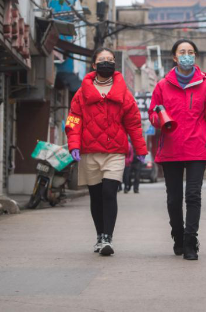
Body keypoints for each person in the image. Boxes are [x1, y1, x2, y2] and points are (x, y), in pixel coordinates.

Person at [148, 39, 206, 261]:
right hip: (170, 149)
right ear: (174, 57)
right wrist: (158, 119)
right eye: (182, 52)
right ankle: (178, 235)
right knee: (174, 199)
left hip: (196, 149)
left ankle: (191, 241)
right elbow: (152, 113)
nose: (187, 55)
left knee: (193, 195)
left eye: (190, 52)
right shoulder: (162, 86)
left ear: (195, 56)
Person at [66, 47, 147, 256]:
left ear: (114, 64)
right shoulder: (81, 93)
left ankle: (107, 238)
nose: (106, 62)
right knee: (96, 196)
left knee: (109, 192)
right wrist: (74, 145)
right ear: (94, 65)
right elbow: (74, 120)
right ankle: (99, 235)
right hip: (89, 151)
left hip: (115, 152)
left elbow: (134, 123)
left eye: (110, 60)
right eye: (102, 59)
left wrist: (140, 148)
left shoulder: (124, 93)